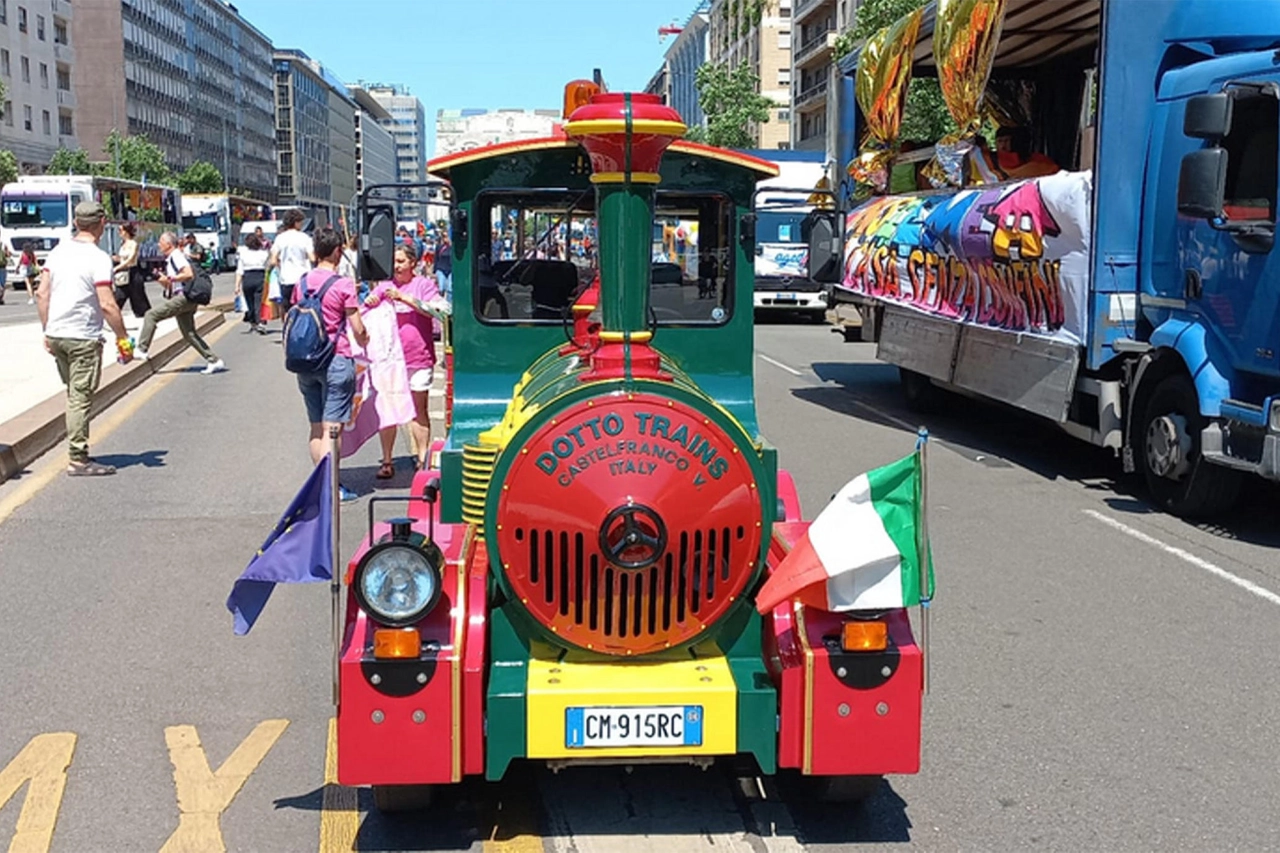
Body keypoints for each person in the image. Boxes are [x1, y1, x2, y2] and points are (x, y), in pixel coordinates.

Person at [36, 201, 134, 476]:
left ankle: (76, 448)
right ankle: (78, 458)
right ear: (101, 224)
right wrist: (123, 339)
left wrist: (46, 330)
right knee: (80, 396)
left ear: (77, 223)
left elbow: (42, 294)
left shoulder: (56, 253)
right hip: (82, 337)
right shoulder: (98, 258)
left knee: (73, 393)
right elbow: (107, 304)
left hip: (57, 334)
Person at [293, 226, 368, 500]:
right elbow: (357, 327)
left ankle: (319, 484)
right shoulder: (343, 284)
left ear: (315, 251)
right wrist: (366, 339)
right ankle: (330, 488)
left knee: (316, 426)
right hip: (336, 359)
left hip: (306, 361)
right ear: (338, 251)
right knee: (332, 428)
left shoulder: (302, 282)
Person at [362, 243, 449, 475]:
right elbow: (366, 308)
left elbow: (441, 311)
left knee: (418, 408)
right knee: (387, 409)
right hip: (389, 361)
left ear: (413, 263)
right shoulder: (384, 286)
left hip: (418, 357)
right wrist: (371, 302)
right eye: (394, 262)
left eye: (401, 261)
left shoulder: (424, 285)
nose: (396, 266)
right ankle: (387, 461)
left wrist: (405, 298)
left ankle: (423, 459)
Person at [133, 232, 225, 374]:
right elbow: (172, 283)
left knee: (151, 315)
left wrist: (171, 277)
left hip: (184, 297)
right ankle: (213, 360)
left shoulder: (176, 256)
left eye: (161, 241)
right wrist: (162, 278)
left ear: (169, 244)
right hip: (186, 297)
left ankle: (141, 349)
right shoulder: (172, 258)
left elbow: (188, 274)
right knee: (189, 334)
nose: (159, 244)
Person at [112, 221, 151, 319]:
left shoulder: (134, 243)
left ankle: (145, 317)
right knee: (119, 296)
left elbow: (131, 259)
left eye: (120, 230)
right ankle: (112, 316)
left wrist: (117, 267)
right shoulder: (122, 244)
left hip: (133, 272)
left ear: (126, 231)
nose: (119, 232)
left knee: (138, 297)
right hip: (123, 274)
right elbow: (122, 258)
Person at [235, 232, 269, 334]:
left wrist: (237, 286)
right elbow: (268, 267)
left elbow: (239, 271)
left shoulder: (243, 255)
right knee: (258, 301)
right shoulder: (264, 254)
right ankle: (260, 322)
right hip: (260, 277)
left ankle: (253, 323)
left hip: (247, 278)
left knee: (249, 301)